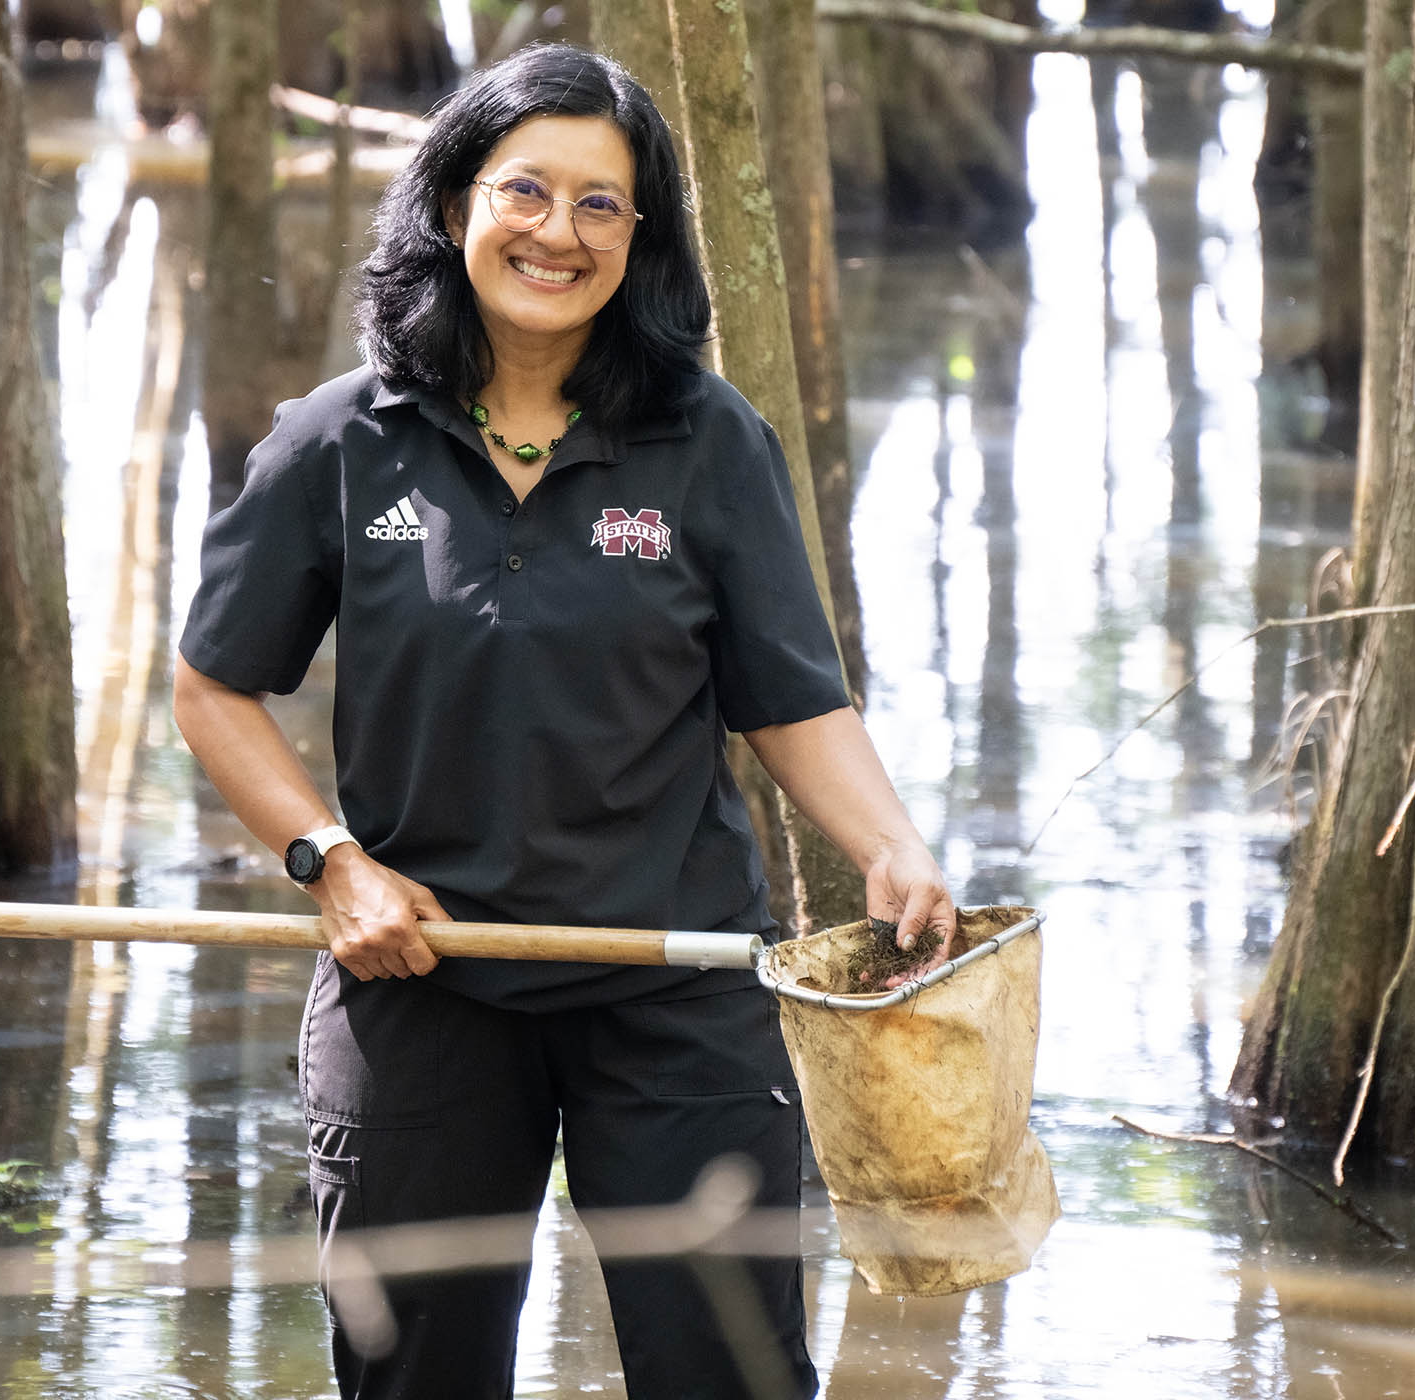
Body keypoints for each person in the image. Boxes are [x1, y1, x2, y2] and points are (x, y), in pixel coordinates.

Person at [172, 42, 955, 1400]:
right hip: (420, 984)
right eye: (527, 190)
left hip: (679, 982)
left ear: (641, 238)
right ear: (456, 201)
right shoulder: (337, 443)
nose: (560, 232)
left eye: (603, 203)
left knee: (730, 1374)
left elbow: (794, 700)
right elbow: (215, 686)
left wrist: (890, 844)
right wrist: (329, 863)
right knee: (414, 1380)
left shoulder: (712, 444)